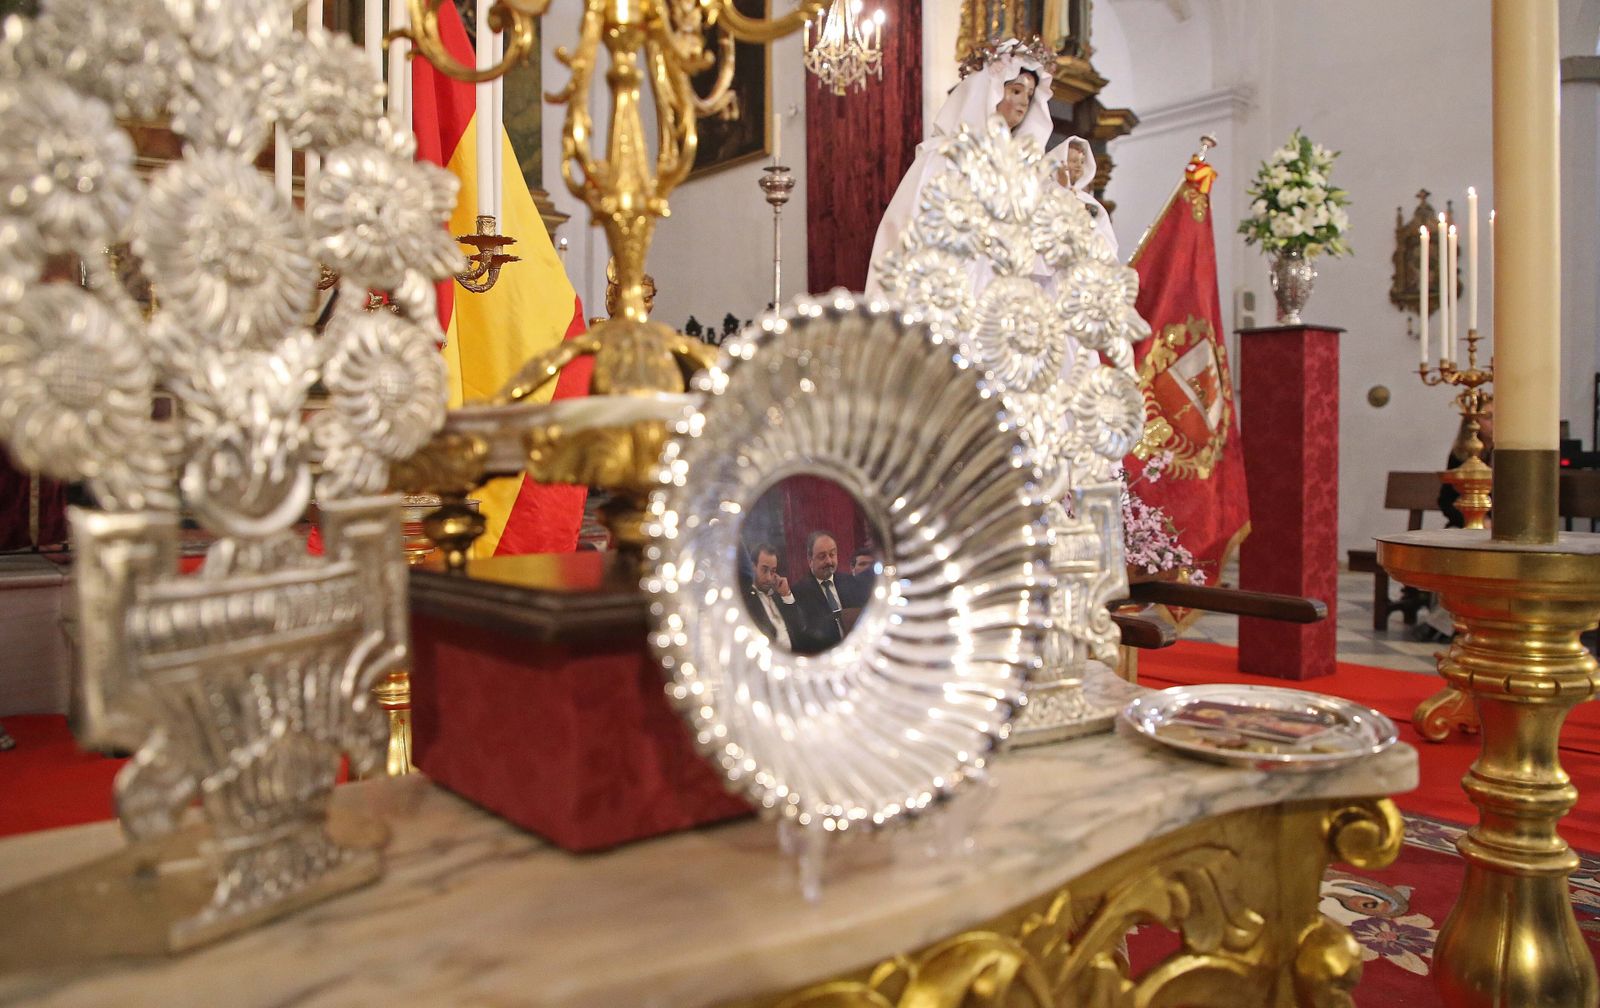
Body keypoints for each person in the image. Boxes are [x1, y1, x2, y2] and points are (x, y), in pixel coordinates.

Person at [864, 37, 1056, 299]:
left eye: (1030, 96)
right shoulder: (945, 156)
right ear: (989, 92)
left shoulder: (1020, 171)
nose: (1023, 103)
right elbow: (909, 226)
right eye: (1015, 91)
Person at [792, 531, 870, 652]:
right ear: (810, 559)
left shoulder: (851, 583)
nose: (829, 561)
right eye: (822, 556)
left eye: (832, 554)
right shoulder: (798, 593)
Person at [1048, 136, 1118, 258]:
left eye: (1082, 161)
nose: (1079, 166)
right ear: (1061, 162)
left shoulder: (1088, 201)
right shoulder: (1046, 194)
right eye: (1074, 161)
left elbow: (1108, 245)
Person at [743, 543, 807, 651]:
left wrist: (786, 595)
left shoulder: (778, 593)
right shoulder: (747, 600)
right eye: (764, 570)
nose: (769, 578)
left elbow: (800, 628)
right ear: (753, 567)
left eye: (772, 571)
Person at [1439, 401, 1494, 528]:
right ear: (1473, 422)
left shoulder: (1506, 456)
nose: (1495, 422)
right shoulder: (1459, 454)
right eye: (1488, 417)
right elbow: (1446, 500)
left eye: (1499, 416)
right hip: (1462, 524)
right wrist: (1475, 520)